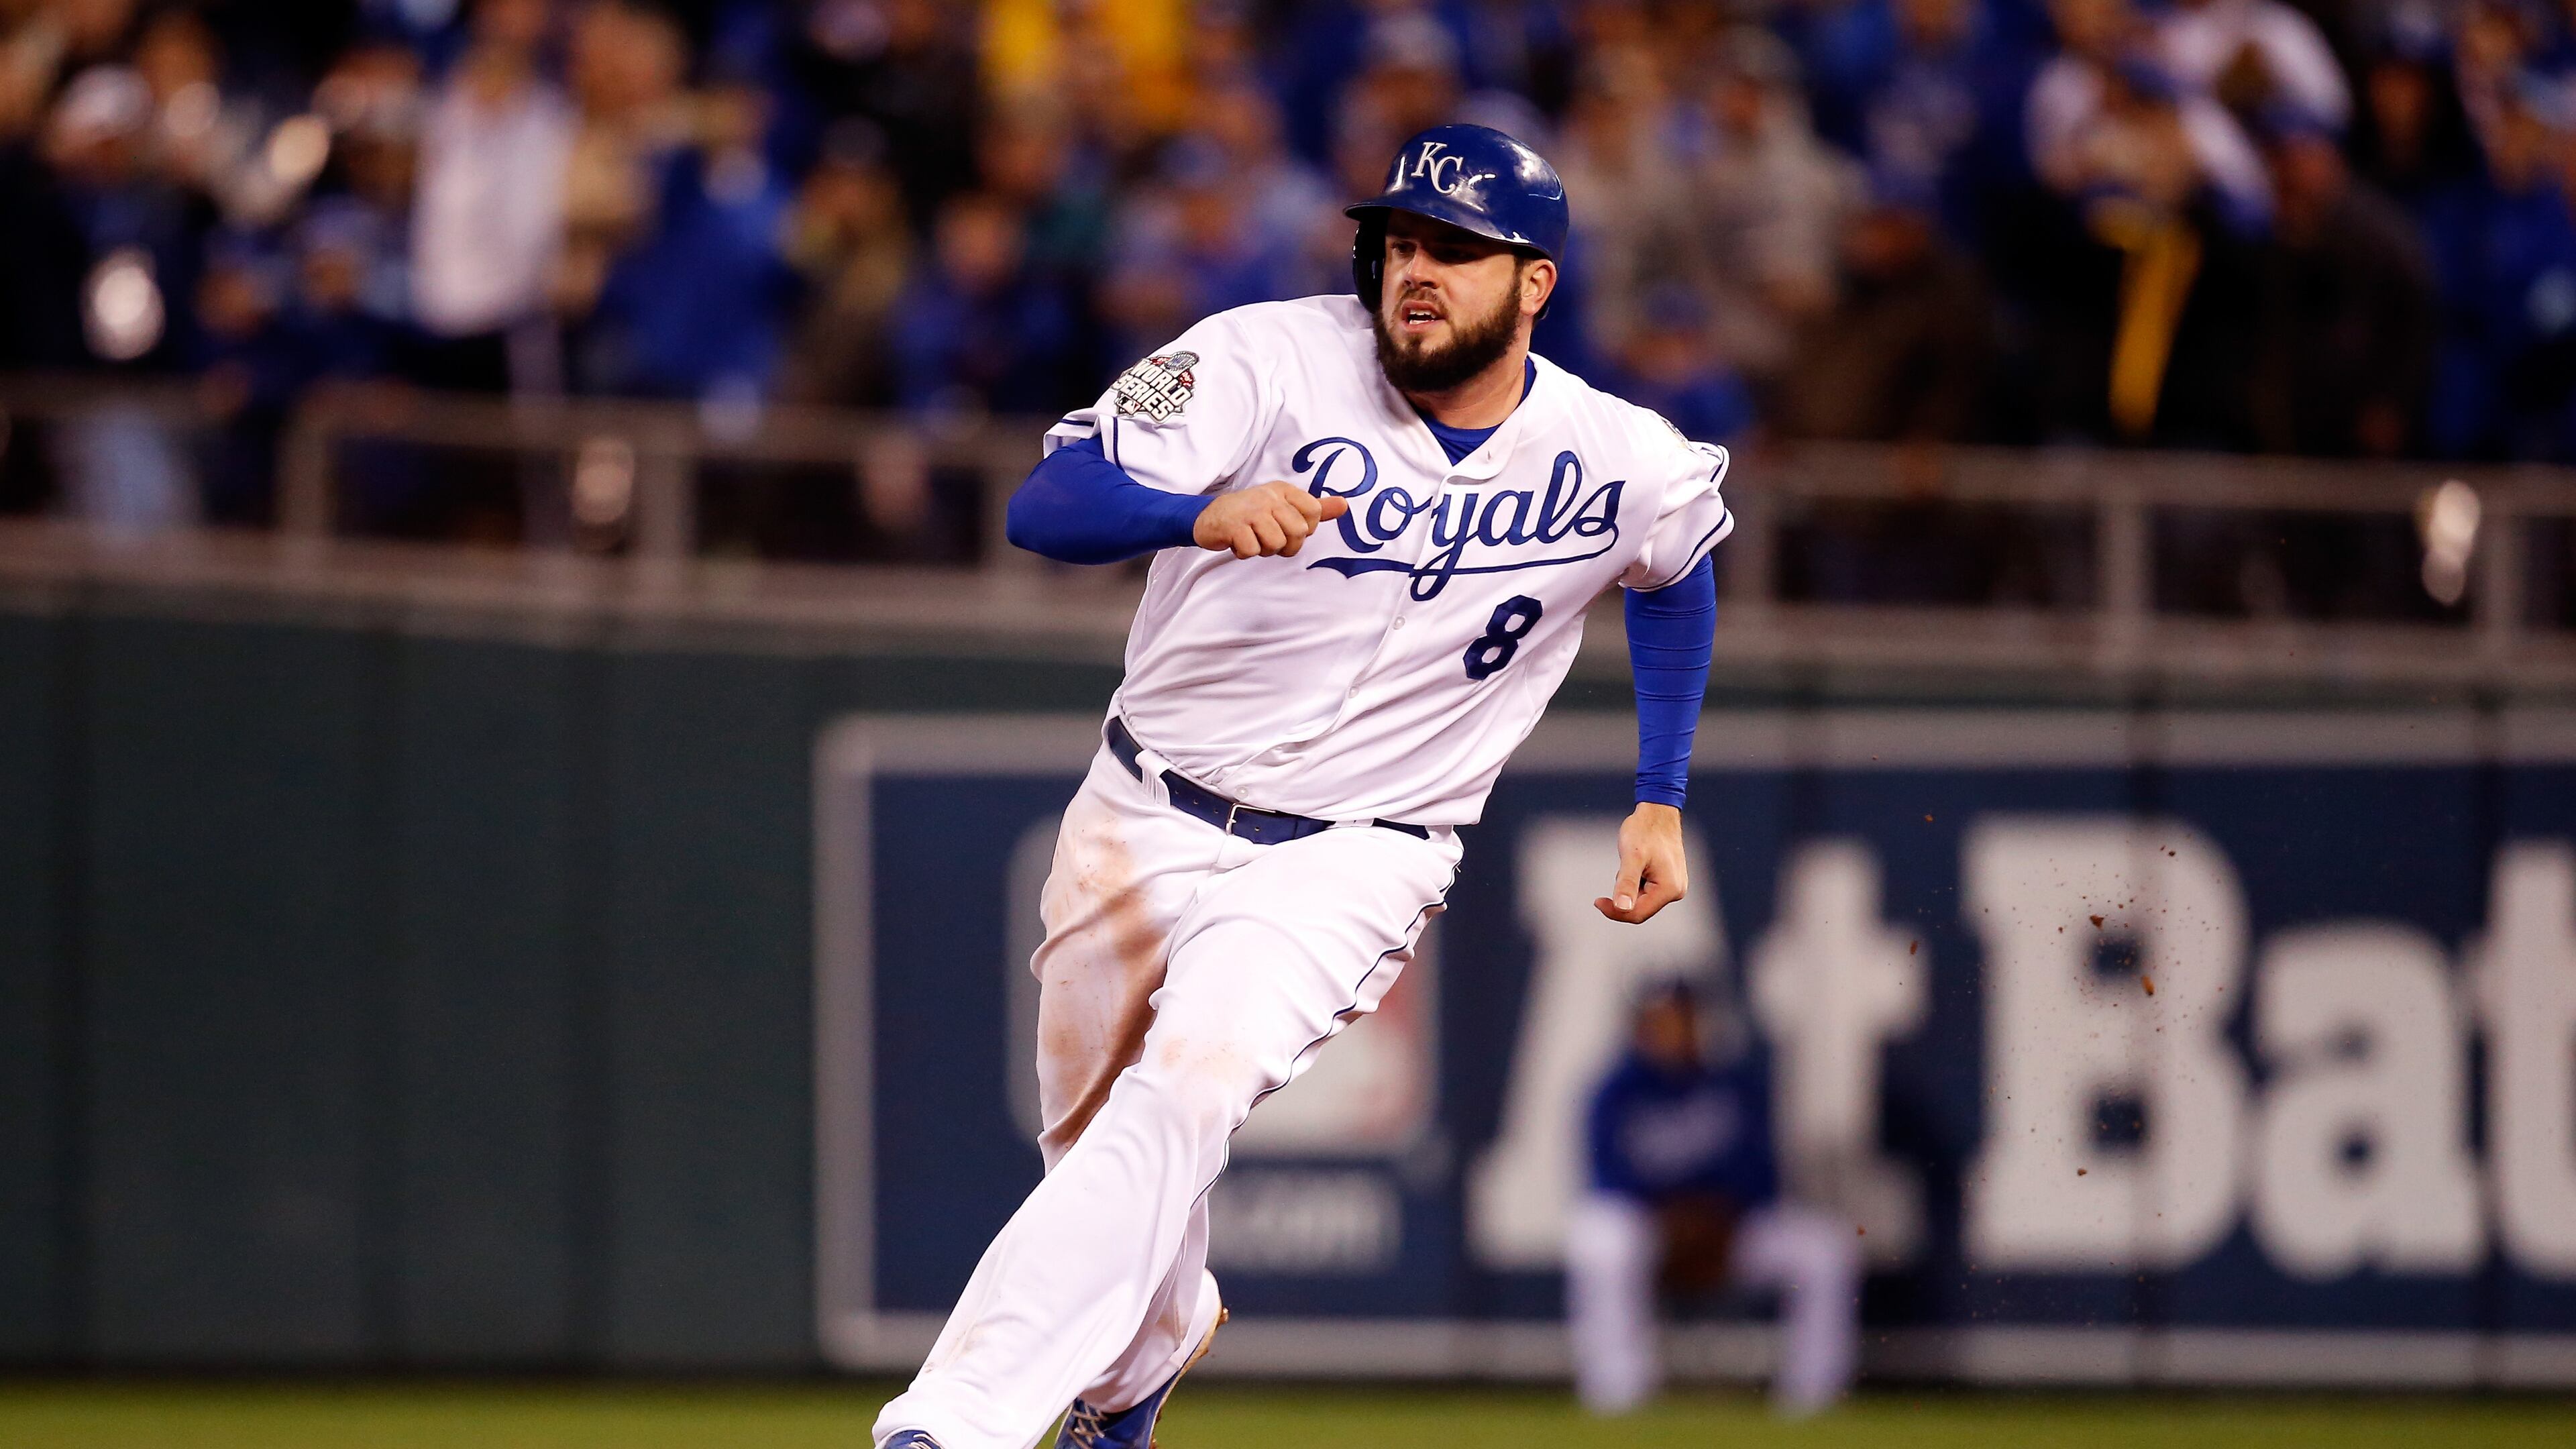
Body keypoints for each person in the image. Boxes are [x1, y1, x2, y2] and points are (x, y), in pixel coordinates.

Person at [872, 123, 1732, 1449]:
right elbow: (1048, 504)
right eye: (1397, 242)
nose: (1414, 270)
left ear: (1537, 284)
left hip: (1359, 852)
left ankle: (956, 1423)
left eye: (1455, 248)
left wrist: (1659, 791)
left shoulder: (1610, 452)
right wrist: (1191, 511)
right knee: (1100, 1153)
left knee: (1187, 1093)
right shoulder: (1257, 357)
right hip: (1143, 812)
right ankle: (1147, 1355)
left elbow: (1677, 568)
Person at [1566, 980, 1862, 1417]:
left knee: (1824, 1247)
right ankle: (1619, 1394)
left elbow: (1765, 1176)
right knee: (1603, 1239)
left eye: (1683, 1019)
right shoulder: (1615, 1091)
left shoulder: (1734, 1085)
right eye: (1663, 1020)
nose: (1676, 1030)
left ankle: (1814, 1396)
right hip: (1653, 1232)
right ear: (1642, 1027)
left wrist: (1717, 1216)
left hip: (1727, 1232)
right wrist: (1672, 1218)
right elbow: (1608, 1179)